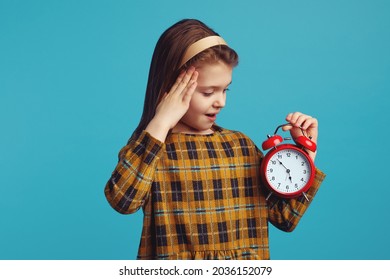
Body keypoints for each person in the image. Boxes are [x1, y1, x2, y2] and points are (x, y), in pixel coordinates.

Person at [104, 19, 326, 260]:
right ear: (171, 87)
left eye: (225, 90)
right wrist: (160, 121)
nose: (221, 102)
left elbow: (285, 218)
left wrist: (304, 158)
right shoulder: (151, 150)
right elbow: (123, 201)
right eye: (208, 92)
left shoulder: (241, 147)